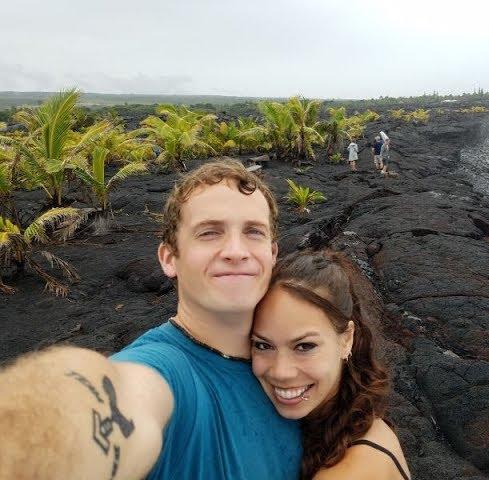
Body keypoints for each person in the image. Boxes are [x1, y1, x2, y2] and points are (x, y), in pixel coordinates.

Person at [0, 160, 302, 480]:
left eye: (253, 232)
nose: (236, 251)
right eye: (210, 232)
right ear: (169, 258)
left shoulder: (292, 365)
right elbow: (104, 407)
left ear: (272, 254)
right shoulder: (163, 372)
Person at [251, 249, 411, 480]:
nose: (281, 372)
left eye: (305, 346)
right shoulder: (350, 423)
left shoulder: (354, 470)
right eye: (263, 345)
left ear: (347, 339)